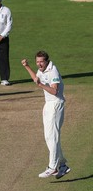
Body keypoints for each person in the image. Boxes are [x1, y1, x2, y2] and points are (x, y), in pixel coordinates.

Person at [21, 51, 71, 179]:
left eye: (41, 61)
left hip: (56, 104)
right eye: (37, 62)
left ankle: (52, 167)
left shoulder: (52, 70)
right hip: (48, 105)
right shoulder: (42, 70)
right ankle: (63, 165)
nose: (39, 64)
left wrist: (41, 85)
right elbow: (36, 79)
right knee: (49, 137)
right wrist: (27, 66)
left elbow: (54, 91)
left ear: (47, 61)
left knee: (53, 137)